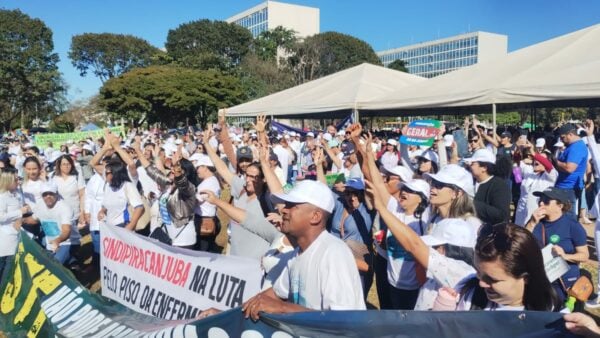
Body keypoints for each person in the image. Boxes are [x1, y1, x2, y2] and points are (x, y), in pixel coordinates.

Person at [241, 180, 365, 321]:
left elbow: (344, 320)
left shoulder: (334, 253)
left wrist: (283, 308)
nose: (284, 210)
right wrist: (226, 317)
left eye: (292, 206)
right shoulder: (296, 255)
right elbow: (272, 295)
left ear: (315, 216)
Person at [457, 223, 561, 311]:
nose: (481, 283)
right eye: (478, 272)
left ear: (526, 278)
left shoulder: (552, 312)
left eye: (492, 280)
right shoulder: (469, 293)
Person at [526, 187, 588, 303]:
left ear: (560, 206)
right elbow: (522, 243)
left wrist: (565, 256)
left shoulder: (572, 226)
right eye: (540, 199)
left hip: (564, 283)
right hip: (541, 278)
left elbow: (584, 256)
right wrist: (532, 223)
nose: (541, 203)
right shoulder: (536, 222)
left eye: (547, 200)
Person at [31, 181, 81, 265]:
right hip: (52, 244)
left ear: (56, 194)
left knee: (54, 265)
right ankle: (72, 261)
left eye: (51, 194)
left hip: (67, 242)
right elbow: (33, 220)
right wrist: (20, 219)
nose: (48, 197)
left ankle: (72, 257)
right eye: (45, 194)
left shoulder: (65, 208)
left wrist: (57, 241)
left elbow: (66, 231)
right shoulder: (40, 206)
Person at [464, 148, 511, 225]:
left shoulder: (499, 185)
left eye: (473, 163)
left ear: (484, 168)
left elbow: (501, 214)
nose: (469, 166)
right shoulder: (470, 181)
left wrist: (471, 204)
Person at [97, 159, 144, 231]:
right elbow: (105, 205)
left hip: (123, 226)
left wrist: (131, 225)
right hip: (110, 227)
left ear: (116, 173)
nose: (104, 175)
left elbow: (139, 207)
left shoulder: (127, 185)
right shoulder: (108, 186)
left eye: (107, 173)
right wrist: (102, 211)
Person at [514, 151, 558, 227]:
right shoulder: (529, 172)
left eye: (541, 159)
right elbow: (517, 179)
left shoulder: (552, 175)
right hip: (520, 212)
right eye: (536, 159)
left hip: (536, 213)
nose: (537, 160)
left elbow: (548, 166)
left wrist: (533, 152)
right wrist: (516, 161)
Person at [554, 123, 588, 216]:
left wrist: (554, 162)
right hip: (564, 187)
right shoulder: (572, 146)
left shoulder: (577, 147)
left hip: (569, 189)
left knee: (568, 219)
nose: (561, 139)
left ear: (570, 134)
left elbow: (569, 168)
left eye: (562, 137)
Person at [0, 170, 30, 276]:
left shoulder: (16, 193)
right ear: (8, 181)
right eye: (15, 179)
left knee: (13, 266)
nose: (18, 181)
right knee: (6, 268)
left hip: (16, 233)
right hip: (6, 237)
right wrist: (19, 212)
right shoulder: (2, 197)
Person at [193, 155, 221, 252]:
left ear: (205, 167)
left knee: (202, 251)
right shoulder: (211, 181)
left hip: (204, 222)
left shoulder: (209, 183)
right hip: (207, 219)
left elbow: (197, 200)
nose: (197, 170)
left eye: (198, 167)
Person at [51, 154, 86, 228]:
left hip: (74, 212)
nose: (66, 166)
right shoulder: (53, 177)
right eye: (63, 164)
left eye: (68, 164)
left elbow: (82, 194)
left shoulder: (76, 176)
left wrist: (82, 211)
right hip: (59, 213)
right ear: (59, 166)